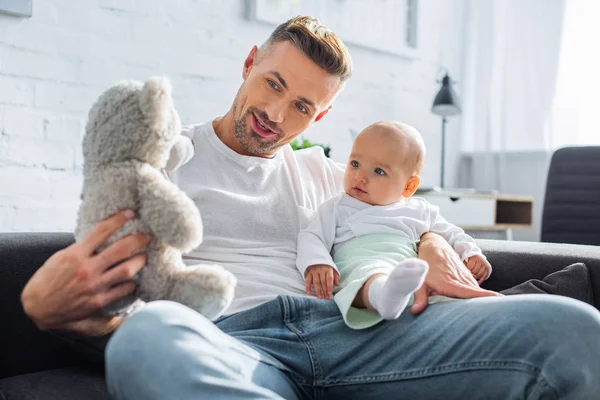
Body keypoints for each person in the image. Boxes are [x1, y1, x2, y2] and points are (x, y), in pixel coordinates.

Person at [20, 16, 600, 399]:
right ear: (249, 63)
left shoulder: (333, 176)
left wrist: (430, 239)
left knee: (573, 328)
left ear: (319, 117)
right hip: (232, 343)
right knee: (149, 341)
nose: (276, 113)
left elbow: (411, 212)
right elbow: (100, 272)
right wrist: (47, 306)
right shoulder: (165, 160)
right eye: (272, 84)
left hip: (359, 329)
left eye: (300, 105)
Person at [297, 121, 492, 329]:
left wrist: (471, 253)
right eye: (355, 164)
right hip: (361, 259)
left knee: (439, 291)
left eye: (379, 171)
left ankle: (467, 310)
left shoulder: (420, 210)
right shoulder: (337, 207)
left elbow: (452, 234)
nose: (360, 176)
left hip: (408, 267)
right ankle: (384, 296)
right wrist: (318, 262)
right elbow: (311, 236)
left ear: (408, 186)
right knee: (369, 274)